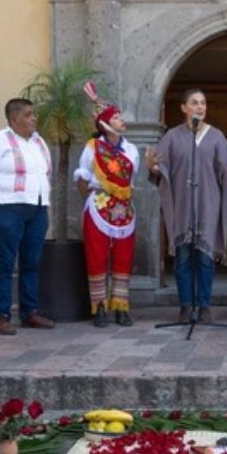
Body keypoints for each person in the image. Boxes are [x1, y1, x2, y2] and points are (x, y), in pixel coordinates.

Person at [146, 89, 227, 324]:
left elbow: (226, 169)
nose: (200, 107)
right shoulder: (172, 136)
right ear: (184, 107)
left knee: (205, 257)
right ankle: (186, 307)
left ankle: (205, 306)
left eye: (203, 103)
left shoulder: (217, 136)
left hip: (208, 203)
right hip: (182, 203)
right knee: (183, 257)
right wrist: (152, 167)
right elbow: (161, 168)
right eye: (194, 103)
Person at [0, 98, 55, 335]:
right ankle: (1, 316)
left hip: (37, 208)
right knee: (6, 262)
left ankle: (29, 312)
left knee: (31, 262)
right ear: (14, 118)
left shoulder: (39, 141)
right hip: (8, 207)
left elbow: (43, 174)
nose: (34, 118)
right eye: (28, 114)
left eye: (33, 113)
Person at [73, 89, 139, 327]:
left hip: (124, 207)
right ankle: (98, 306)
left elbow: (129, 178)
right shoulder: (93, 147)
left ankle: (121, 305)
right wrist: (88, 199)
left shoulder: (130, 149)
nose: (123, 120)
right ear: (105, 123)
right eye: (117, 117)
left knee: (123, 256)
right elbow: (82, 176)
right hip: (99, 205)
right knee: (97, 255)